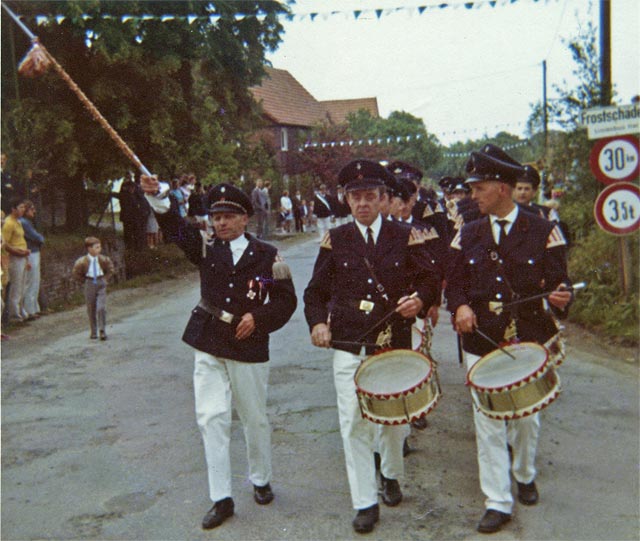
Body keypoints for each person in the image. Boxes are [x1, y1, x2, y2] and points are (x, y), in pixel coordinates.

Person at [139, 176, 297, 531]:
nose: (220, 223)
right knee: (211, 419)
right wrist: (158, 198)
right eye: (215, 216)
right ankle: (221, 498)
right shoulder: (206, 249)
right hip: (208, 339)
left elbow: (285, 301)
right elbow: (175, 228)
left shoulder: (267, 256)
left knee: (254, 417)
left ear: (245, 219)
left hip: (249, 345)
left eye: (228, 216)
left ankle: (260, 478)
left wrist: (258, 318)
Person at [304, 159, 440, 534]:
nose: (362, 203)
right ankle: (364, 501)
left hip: (392, 343)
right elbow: (315, 291)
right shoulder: (337, 239)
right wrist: (317, 322)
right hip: (349, 344)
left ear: (383, 198)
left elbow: (431, 278)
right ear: (346, 201)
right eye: (355, 196)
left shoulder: (405, 235)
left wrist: (421, 300)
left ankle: (391, 473)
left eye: (369, 196)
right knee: (352, 423)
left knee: (393, 424)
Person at [445, 145, 572, 534]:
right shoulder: (466, 233)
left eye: (478, 188)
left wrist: (561, 296)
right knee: (487, 421)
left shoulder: (543, 229)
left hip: (529, 338)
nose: (472, 196)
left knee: (526, 419)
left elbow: (560, 282)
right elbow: (455, 286)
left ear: (501, 188)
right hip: (481, 339)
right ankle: (497, 500)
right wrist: (461, 307)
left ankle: (524, 472)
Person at [72, 236, 115, 340]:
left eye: (99, 247)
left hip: (100, 282)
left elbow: (111, 269)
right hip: (90, 282)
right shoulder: (81, 262)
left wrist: (105, 279)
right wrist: (85, 282)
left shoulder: (104, 259)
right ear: (89, 249)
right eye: (96, 247)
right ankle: (93, 331)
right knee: (91, 308)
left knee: (101, 307)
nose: (99, 250)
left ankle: (102, 330)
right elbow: (76, 273)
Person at [1, 199, 30, 322]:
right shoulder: (8, 223)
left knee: (22, 284)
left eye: (24, 207)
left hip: (22, 256)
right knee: (16, 285)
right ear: (13, 209)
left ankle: (20, 310)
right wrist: (17, 252)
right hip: (14, 257)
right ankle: (14, 313)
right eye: (21, 207)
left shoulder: (18, 222)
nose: (23, 209)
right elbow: (4, 243)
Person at [19, 200, 44, 320]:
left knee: (35, 280)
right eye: (31, 209)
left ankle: (34, 308)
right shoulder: (24, 223)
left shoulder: (27, 222)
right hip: (30, 252)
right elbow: (35, 236)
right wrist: (41, 239)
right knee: (31, 281)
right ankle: (29, 310)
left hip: (34, 251)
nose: (34, 211)